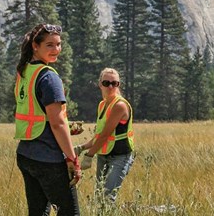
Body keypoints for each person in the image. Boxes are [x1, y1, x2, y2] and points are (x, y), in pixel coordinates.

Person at [14, 23, 81, 216]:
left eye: (59, 44)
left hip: (26, 155)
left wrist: (67, 128)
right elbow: (57, 123)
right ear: (36, 46)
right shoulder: (49, 77)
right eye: (50, 45)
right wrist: (72, 159)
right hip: (49, 159)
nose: (56, 50)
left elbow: (38, 114)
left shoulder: (24, 72)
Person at [75, 68, 134, 203]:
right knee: (99, 196)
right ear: (100, 84)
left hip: (120, 157)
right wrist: (81, 147)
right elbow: (98, 135)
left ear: (119, 85)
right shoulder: (102, 105)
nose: (111, 86)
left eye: (115, 83)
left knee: (107, 198)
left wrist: (89, 155)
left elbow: (105, 135)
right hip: (104, 155)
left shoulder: (119, 105)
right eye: (107, 83)